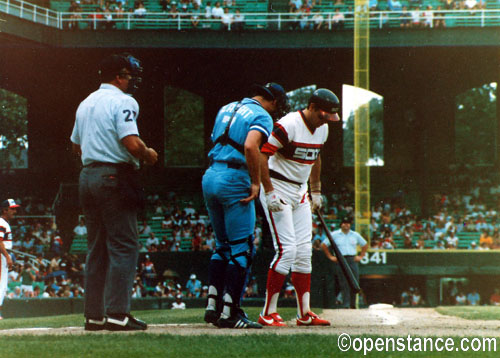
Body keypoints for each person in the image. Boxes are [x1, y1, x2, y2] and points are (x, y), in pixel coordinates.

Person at [70, 53, 158, 331]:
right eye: (129, 76)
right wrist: (148, 154)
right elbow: (131, 143)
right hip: (113, 176)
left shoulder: (86, 103)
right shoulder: (123, 101)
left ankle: (93, 316)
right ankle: (118, 314)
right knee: (124, 245)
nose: (131, 80)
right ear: (119, 76)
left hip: (87, 176)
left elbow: (76, 146)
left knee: (96, 249)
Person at [202, 82, 289, 329]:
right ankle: (231, 313)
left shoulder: (226, 107)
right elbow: (251, 145)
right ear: (271, 100)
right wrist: (255, 182)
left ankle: (213, 306)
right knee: (242, 249)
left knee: (221, 246)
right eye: (277, 105)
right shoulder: (262, 114)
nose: (276, 110)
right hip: (234, 178)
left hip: (211, 175)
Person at [258, 88, 340, 327]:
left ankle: (304, 313)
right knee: (287, 251)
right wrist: (269, 192)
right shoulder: (288, 125)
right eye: (322, 115)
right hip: (278, 185)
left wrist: (316, 190)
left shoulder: (322, 128)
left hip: (300, 189)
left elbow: (316, 157)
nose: (325, 121)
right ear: (312, 107)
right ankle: (267, 312)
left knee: (304, 253)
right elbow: (263, 155)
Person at [321, 217, 368, 309]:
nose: (346, 225)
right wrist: (330, 256)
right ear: (341, 224)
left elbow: (365, 244)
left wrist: (361, 256)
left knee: (354, 281)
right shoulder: (335, 234)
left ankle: (353, 304)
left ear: (350, 225)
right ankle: (345, 304)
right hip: (341, 259)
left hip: (352, 259)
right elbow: (324, 245)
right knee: (343, 282)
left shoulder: (355, 234)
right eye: (344, 223)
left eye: (348, 223)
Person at [0, 199, 17, 320]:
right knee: (1, 285)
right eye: (12, 209)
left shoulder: (4, 223)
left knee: (3, 286)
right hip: (1, 256)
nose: (14, 211)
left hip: (4, 255)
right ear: (4, 210)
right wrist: (7, 256)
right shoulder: (2, 222)